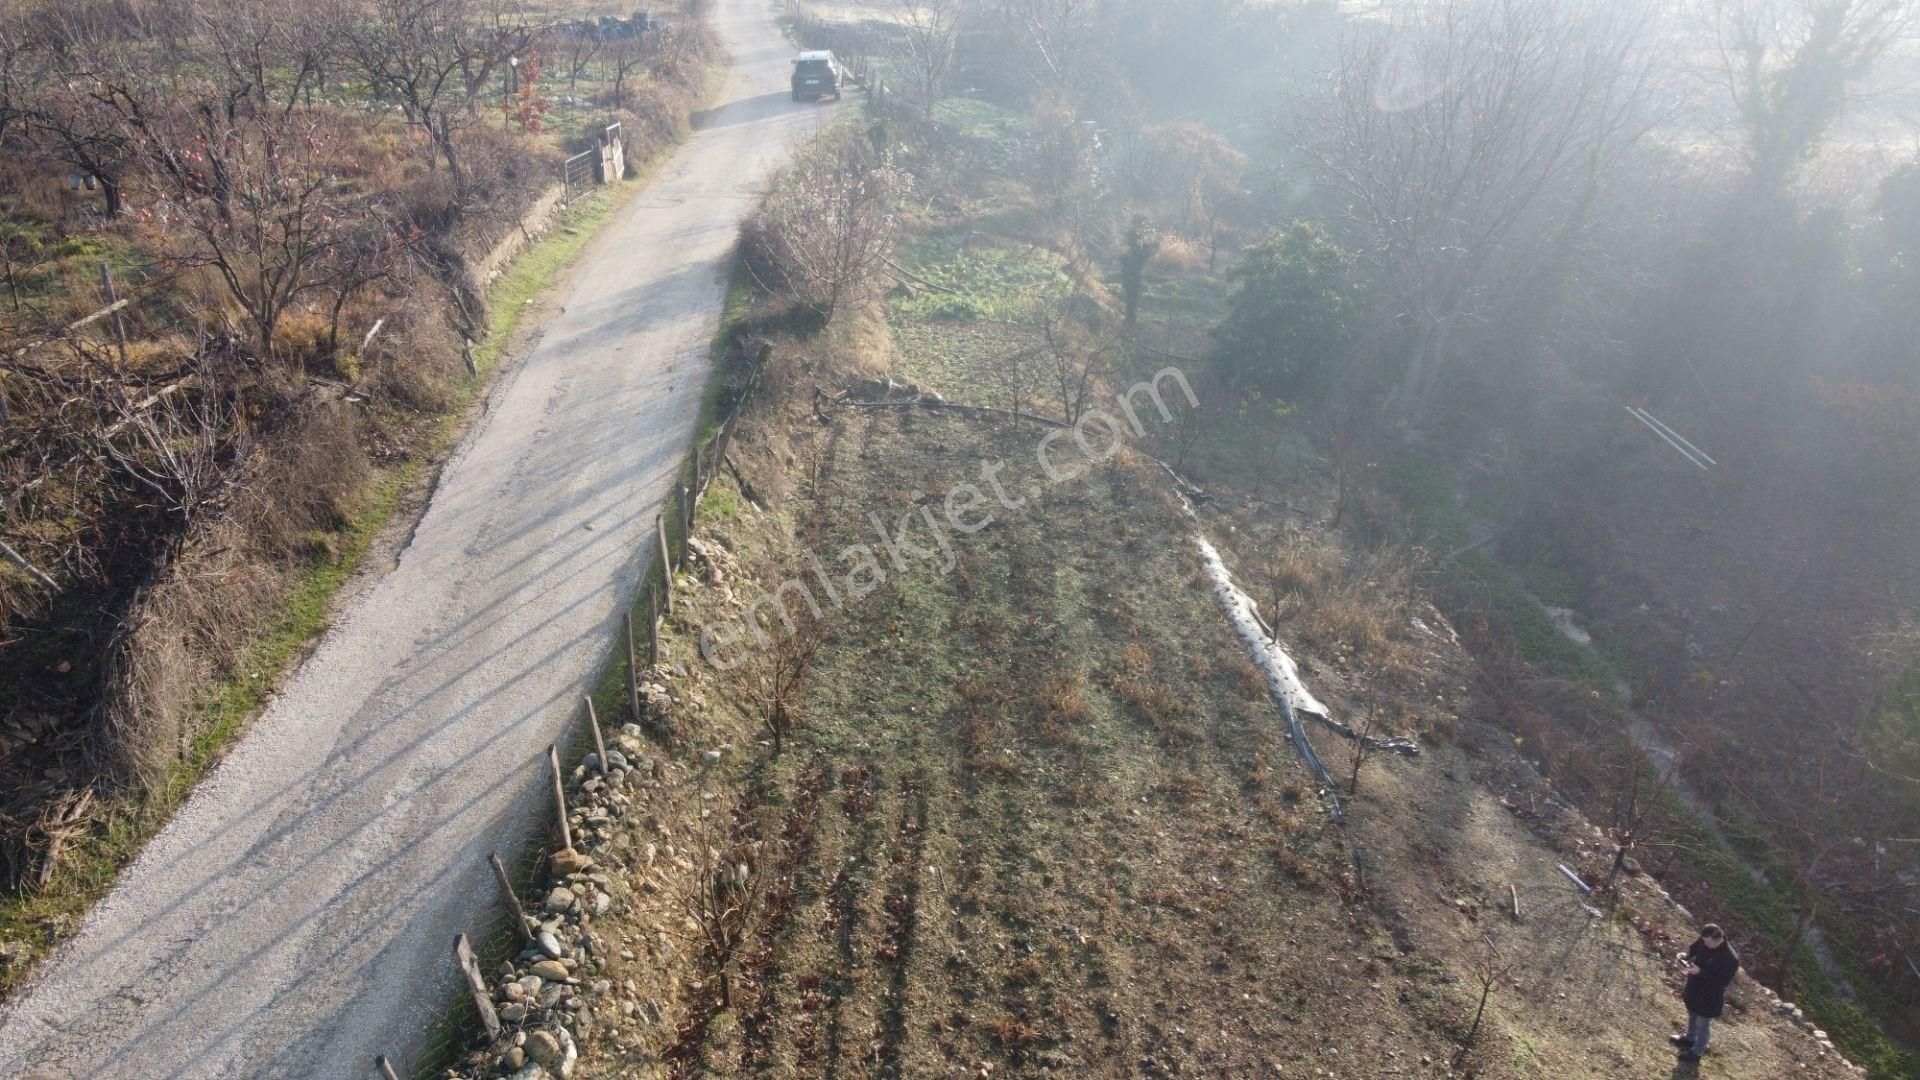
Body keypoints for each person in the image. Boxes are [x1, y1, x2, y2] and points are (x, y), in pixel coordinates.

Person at [1671, 923, 1740, 1062]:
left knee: (1703, 1025)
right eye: (1704, 941)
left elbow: (1721, 983)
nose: (1705, 944)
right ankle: (1689, 1037)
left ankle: (1697, 1052)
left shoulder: (1731, 959)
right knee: (1691, 1013)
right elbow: (1695, 947)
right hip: (1694, 988)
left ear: (1717, 939)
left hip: (1709, 997)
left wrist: (1700, 972)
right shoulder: (1705, 939)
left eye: (1708, 943)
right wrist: (1687, 955)